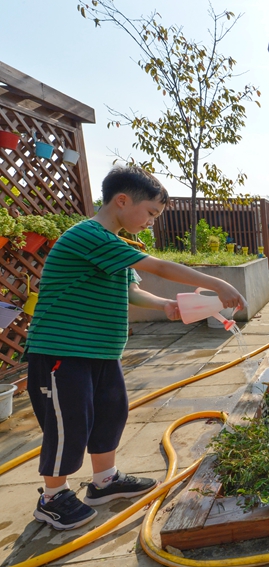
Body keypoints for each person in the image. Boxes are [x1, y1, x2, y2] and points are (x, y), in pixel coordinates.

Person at [26, 166, 248, 530]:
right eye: (150, 213)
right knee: (69, 423)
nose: (150, 223)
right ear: (122, 200)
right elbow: (159, 265)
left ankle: (105, 480)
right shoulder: (88, 235)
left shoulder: (113, 244)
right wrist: (216, 283)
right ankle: (52, 497)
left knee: (112, 410)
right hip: (62, 352)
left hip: (100, 351)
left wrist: (163, 305)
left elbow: (131, 289)